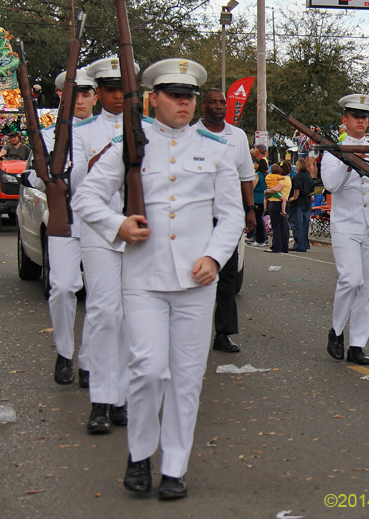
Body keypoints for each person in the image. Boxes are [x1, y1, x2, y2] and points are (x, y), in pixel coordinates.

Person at [73, 58, 243, 500]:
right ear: (154, 98)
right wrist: (117, 225)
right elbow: (86, 197)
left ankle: (173, 466)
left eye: (189, 96)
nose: (183, 103)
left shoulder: (216, 148)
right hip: (144, 279)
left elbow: (231, 216)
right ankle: (139, 453)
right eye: (174, 95)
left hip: (196, 281)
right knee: (148, 371)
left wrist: (215, 256)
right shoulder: (132, 145)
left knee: (186, 378)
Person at [73, 56, 141, 434]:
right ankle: (100, 398)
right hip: (99, 229)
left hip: (137, 232)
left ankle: (122, 396)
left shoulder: (148, 128)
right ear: (98, 93)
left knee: (132, 314)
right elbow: (79, 182)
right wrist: (112, 153)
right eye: (111, 90)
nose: (118, 96)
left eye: (124, 89)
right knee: (103, 312)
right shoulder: (81, 132)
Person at [29, 69, 97, 388]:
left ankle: (89, 359)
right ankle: (64, 353)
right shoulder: (47, 136)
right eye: (74, 94)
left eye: (86, 94)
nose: (80, 100)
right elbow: (33, 176)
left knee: (101, 294)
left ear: (96, 96)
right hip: (64, 218)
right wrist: (49, 180)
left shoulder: (109, 132)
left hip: (100, 222)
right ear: (60, 96)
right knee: (63, 287)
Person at [322, 94, 369, 365]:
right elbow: (330, 185)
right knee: (350, 280)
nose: (361, 120)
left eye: (364, 116)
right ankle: (337, 331)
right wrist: (350, 162)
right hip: (346, 226)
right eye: (355, 116)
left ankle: (357, 344)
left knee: (367, 288)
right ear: (345, 120)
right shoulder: (333, 151)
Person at [195, 88, 256, 354]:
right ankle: (192, 333)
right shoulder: (190, 135)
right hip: (196, 216)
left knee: (228, 276)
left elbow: (245, 176)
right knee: (196, 275)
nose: (219, 106)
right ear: (203, 107)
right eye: (213, 103)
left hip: (228, 218)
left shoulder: (238, 136)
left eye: (222, 102)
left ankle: (223, 333)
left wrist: (250, 210)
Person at [288, 159, 314, 252]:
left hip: (298, 202)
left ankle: (298, 244)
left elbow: (297, 187)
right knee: (305, 224)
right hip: (307, 201)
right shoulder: (308, 176)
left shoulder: (298, 176)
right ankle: (304, 244)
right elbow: (312, 189)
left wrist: (294, 197)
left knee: (297, 224)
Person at [265, 163, 290, 253]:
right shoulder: (287, 178)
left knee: (276, 226)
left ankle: (276, 246)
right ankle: (284, 246)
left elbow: (275, 189)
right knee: (283, 225)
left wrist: (267, 191)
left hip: (276, 202)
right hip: (282, 202)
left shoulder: (282, 180)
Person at [251, 158, 268, 247]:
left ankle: (260, 239)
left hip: (256, 198)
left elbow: (252, 186)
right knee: (261, 218)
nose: (254, 165)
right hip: (263, 198)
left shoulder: (257, 175)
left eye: (256, 163)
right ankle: (264, 238)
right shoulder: (266, 175)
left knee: (258, 219)